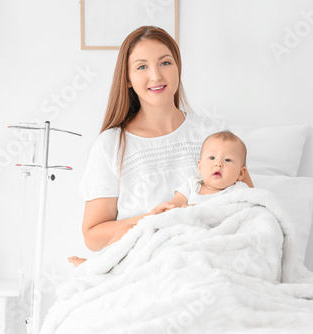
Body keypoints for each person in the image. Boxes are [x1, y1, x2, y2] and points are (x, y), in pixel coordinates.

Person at [68, 26, 253, 266]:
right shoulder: (111, 145)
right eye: (142, 66)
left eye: (165, 63)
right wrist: (149, 219)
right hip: (142, 266)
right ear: (127, 78)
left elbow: (249, 205)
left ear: (178, 68)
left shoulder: (212, 134)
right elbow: (92, 237)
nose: (156, 76)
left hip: (207, 261)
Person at [69, 130, 249, 266]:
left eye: (228, 160)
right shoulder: (192, 185)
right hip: (173, 230)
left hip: (200, 240)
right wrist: (176, 209)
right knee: (128, 231)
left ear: (241, 173)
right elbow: (175, 204)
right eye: (212, 158)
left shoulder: (237, 192)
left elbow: (243, 218)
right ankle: (98, 264)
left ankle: (118, 271)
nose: (218, 163)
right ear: (200, 166)